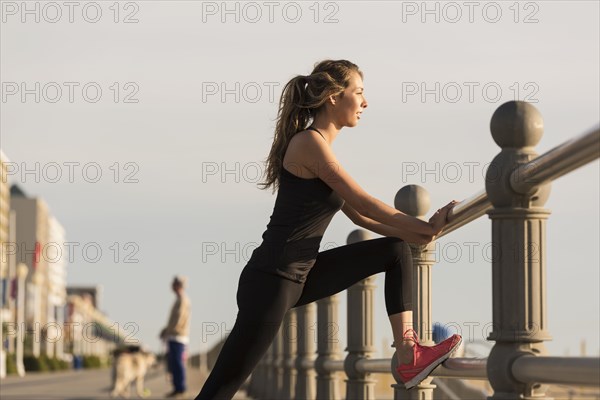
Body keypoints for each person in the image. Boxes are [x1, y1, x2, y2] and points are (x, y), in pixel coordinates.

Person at [195, 59, 461, 399]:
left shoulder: (321, 148)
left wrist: (423, 234)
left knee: (394, 251)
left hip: (298, 276)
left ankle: (410, 354)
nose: (365, 103)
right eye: (359, 93)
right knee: (221, 388)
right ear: (334, 97)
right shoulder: (309, 143)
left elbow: (361, 219)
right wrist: (424, 226)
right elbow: (364, 203)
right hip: (271, 280)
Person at [160, 275, 191, 398]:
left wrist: (168, 331)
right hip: (174, 336)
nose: (171, 286)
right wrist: (166, 331)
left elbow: (179, 320)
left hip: (178, 337)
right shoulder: (179, 299)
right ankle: (177, 388)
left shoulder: (183, 300)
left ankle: (181, 388)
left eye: (173, 283)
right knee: (173, 363)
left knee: (177, 363)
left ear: (178, 285)